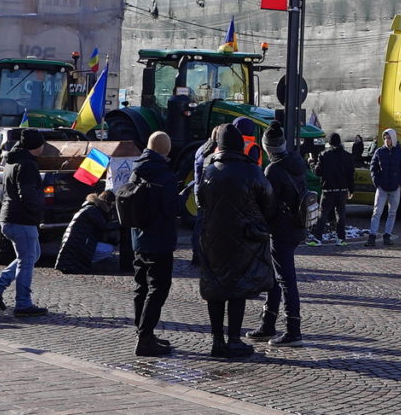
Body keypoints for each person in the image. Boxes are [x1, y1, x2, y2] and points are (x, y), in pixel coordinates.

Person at [195, 123, 273, 358]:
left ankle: (217, 341)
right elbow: (267, 199)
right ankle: (234, 340)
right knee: (237, 288)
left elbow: (200, 201)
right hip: (242, 238)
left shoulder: (209, 170)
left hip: (212, 239)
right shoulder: (251, 170)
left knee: (216, 288)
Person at [121, 131, 180, 357]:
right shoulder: (165, 175)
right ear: (166, 151)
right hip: (160, 240)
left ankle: (142, 332)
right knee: (158, 289)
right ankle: (145, 338)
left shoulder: (138, 169)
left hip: (139, 238)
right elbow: (171, 210)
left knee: (141, 287)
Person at [0, 129, 52, 317]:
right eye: (42, 144)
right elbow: (27, 194)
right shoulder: (27, 164)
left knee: (31, 255)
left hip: (10, 217)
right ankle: (23, 304)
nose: (44, 147)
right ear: (35, 146)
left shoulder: (12, 161)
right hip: (22, 219)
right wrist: (38, 209)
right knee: (27, 261)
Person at [255, 126, 309, 345]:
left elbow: (269, 206)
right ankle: (268, 324)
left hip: (281, 229)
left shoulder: (273, 171)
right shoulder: (297, 162)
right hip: (297, 226)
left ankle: (293, 330)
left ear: (267, 148)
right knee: (278, 277)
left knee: (286, 280)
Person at [56, 184, 125, 274]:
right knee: (108, 249)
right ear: (107, 203)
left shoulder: (89, 207)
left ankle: (83, 261)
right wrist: (122, 222)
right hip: (77, 247)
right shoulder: (93, 210)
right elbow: (104, 226)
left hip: (73, 246)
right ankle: (84, 262)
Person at [367, 129, 401, 246]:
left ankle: (387, 235)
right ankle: (372, 235)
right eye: (385, 138)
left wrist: (400, 183)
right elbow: (373, 168)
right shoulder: (379, 152)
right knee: (377, 211)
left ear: (393, 139)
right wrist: (377, 182)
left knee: (392, 212)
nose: (386, 140)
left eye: (389, 138)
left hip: (395, 187)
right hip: (382, 187)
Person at [313, 132, 356, 244]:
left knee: (323, 214)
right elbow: (350, 175)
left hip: (328, 189)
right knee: (341, 215)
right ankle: (340, 239)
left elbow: (318, 172)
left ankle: (318, 238)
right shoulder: (347, 156)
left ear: (330, 143)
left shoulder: (324, 155)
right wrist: (351, 189)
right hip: (342, 190)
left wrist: (312, 163)